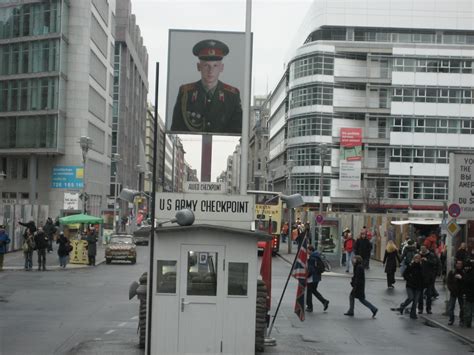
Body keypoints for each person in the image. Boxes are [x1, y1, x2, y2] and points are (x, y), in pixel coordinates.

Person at [171, 39, 242, 134]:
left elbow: (237, 132)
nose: (210, 70)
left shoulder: (232, 95)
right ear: (198, 67)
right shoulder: (186, 93)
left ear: (222, 68)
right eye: (206, 65)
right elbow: (176, 130)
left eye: (215, 66)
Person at [399, 254, 424, 319]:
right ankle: (402, 306)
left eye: (418, 258)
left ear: (420, 259)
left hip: (418, 286)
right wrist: (409, 279)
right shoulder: (410, 266)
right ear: (414, 259)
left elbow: (423, 276)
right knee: (411, 298)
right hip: (410, 285)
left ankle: (412, 314)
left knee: (415, 301)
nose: (417, 260)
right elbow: (404, 274)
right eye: (416, 258)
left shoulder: (421, 267)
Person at [306, 245, 329, 313]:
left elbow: (311, 269)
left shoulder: (312, 258)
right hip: (317, 277)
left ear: (311, 250)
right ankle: (324, 301)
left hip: (312, 278)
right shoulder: (317, 256)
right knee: (313, 291)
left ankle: (310, 307)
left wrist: (307, 276)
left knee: (309, 292)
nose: (307, 251)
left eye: (308, 250)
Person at [418, 246, 438, 314]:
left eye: (424, 249)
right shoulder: (418, 255)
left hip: (429, 278)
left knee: (429, 295)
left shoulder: (431, 255)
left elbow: (434, 263)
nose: (422, 250)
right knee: (420, 295)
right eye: (421, 249)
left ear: (426, 249)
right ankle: (420, 309)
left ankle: (428, 309)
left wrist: (427, 260)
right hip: (420, 278)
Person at [447, 260, 465, 326]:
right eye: (458, 263)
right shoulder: (452, 272)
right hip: (453, 292)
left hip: (461, 292)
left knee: (462, 307)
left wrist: (461, 278)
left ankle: (461, 320)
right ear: (456, 264)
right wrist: (451, 289)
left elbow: (466, 282)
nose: (459, 265)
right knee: (451, 307)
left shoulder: (463, 272)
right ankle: (451, 319)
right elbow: (448, 282)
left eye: (460, 264)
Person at [463, 260, 474, 328]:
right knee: (468, 310)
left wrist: (462, 279)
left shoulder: (470, 274)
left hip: (470, 295)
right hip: (468, 295)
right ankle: (468, 323)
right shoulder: (467, 273)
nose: (466, 268)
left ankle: (468, 323)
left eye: (467, 267)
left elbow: (469, 282)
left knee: (469, 310)